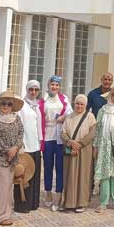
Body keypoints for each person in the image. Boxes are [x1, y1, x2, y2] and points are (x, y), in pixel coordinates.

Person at [0, 90, 24, 226]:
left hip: (11, 159)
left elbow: (21, 133)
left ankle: (6, 214)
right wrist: (8, 150)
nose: (6, 106)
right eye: (3, 103)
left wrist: (16, 148)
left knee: (7, 187)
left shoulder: (16, 118)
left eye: (9, 104)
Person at [39, 75, 72, 211]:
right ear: (48, 85)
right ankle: (48, 192)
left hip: (59, 137)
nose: (54, 87)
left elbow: (71, 113)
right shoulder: (43, 100)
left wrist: (64, 117)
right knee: (47, 166)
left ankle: (58, 194)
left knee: (60, 167)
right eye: (52, 84)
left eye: (57, 85)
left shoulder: (64, 99)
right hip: (47, 135)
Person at [60, 94, 97, 212]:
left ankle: (82, 203)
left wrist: (80, 144)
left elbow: (92, 133)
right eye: (77, 103)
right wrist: (70, 142)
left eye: (82, 104)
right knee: (70, 175)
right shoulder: (69, 117)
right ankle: (69, 202)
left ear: (85, 105)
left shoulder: (90, 117)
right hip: (71, 149)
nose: (79, 106)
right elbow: (63, 133)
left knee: (83, 175)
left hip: (84, 150)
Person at [15, 80, 42, 213]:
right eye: (31, 89)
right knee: (23, 176)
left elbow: (38, 125)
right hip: (25, 147)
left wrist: (40, 142)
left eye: (36, 90)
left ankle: (33, 203)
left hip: (36, 146)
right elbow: (18, 126)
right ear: (27, 90)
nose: (33, 92)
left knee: (34, 176)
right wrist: (20, 144)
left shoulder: (36, 105)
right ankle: (22, 205)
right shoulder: (22, 105)